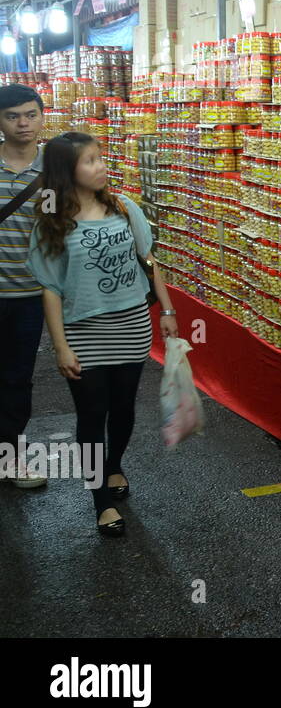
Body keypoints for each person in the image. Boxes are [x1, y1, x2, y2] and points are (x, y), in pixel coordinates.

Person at [28, 131, 179, 536]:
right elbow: (51, 290)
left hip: (131, 325)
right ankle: (100, 501)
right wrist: (60, 347)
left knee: (125, 408)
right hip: (84, 332)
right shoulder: (52, 224)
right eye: (90, 161)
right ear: (66, 171)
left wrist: (167, 309)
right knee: (92, 415)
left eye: (101, 158)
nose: (102, 166)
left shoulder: (124, 207)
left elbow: (148, 260)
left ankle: (114, 466)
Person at [0, 84, 48, 489]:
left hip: (29, 296)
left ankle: (10, 456)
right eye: (13, 116)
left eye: (30, 114)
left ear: (41, 117)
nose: (22, 123)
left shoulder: (57, 169)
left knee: (17, 377)